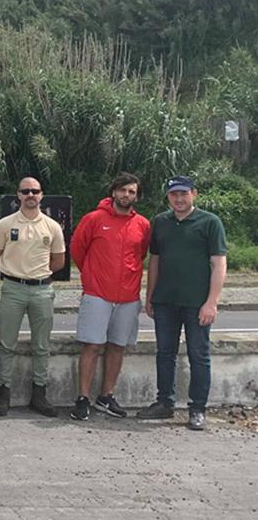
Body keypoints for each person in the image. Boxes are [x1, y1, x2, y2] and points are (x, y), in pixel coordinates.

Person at [137, 176, 226, 431]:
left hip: (197, 303)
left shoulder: (210, 222)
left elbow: (219, 263)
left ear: (194, 194)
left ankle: (197, 408)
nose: (179, 199)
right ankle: (164, 402)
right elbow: (155, 261)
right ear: (168, 197)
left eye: (183, 194)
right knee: (165, 353)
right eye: (174, 194)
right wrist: (150, 296)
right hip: (165, 301)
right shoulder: (161, 222)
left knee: (199, 355)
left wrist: (212, 302)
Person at [69, 174, 151, 421]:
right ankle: (83, 398)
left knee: (117, 346)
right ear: (114, 192)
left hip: (128, 296)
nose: (126, 195)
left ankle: (106, 397)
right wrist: (92, 275)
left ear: (137, 196)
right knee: (92, 346)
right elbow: (78, 249)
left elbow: (141, 254)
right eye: (123, 190)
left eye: (132, 192)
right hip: (97, 294)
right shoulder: (94, 219)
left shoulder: (143, 224)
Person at [0, 177, 66, 417]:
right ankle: (3, 393)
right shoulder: (5, 224)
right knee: (6, 344)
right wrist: (14, 271)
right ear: (18, 195)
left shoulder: (52, 226)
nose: (30, 195)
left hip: (42, 289)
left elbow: (59, 260)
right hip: (13, 289)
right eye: (25, 191)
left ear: (41, 195)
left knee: (41, 345)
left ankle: (39, 394)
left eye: (35, 191)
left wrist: (38, 274)